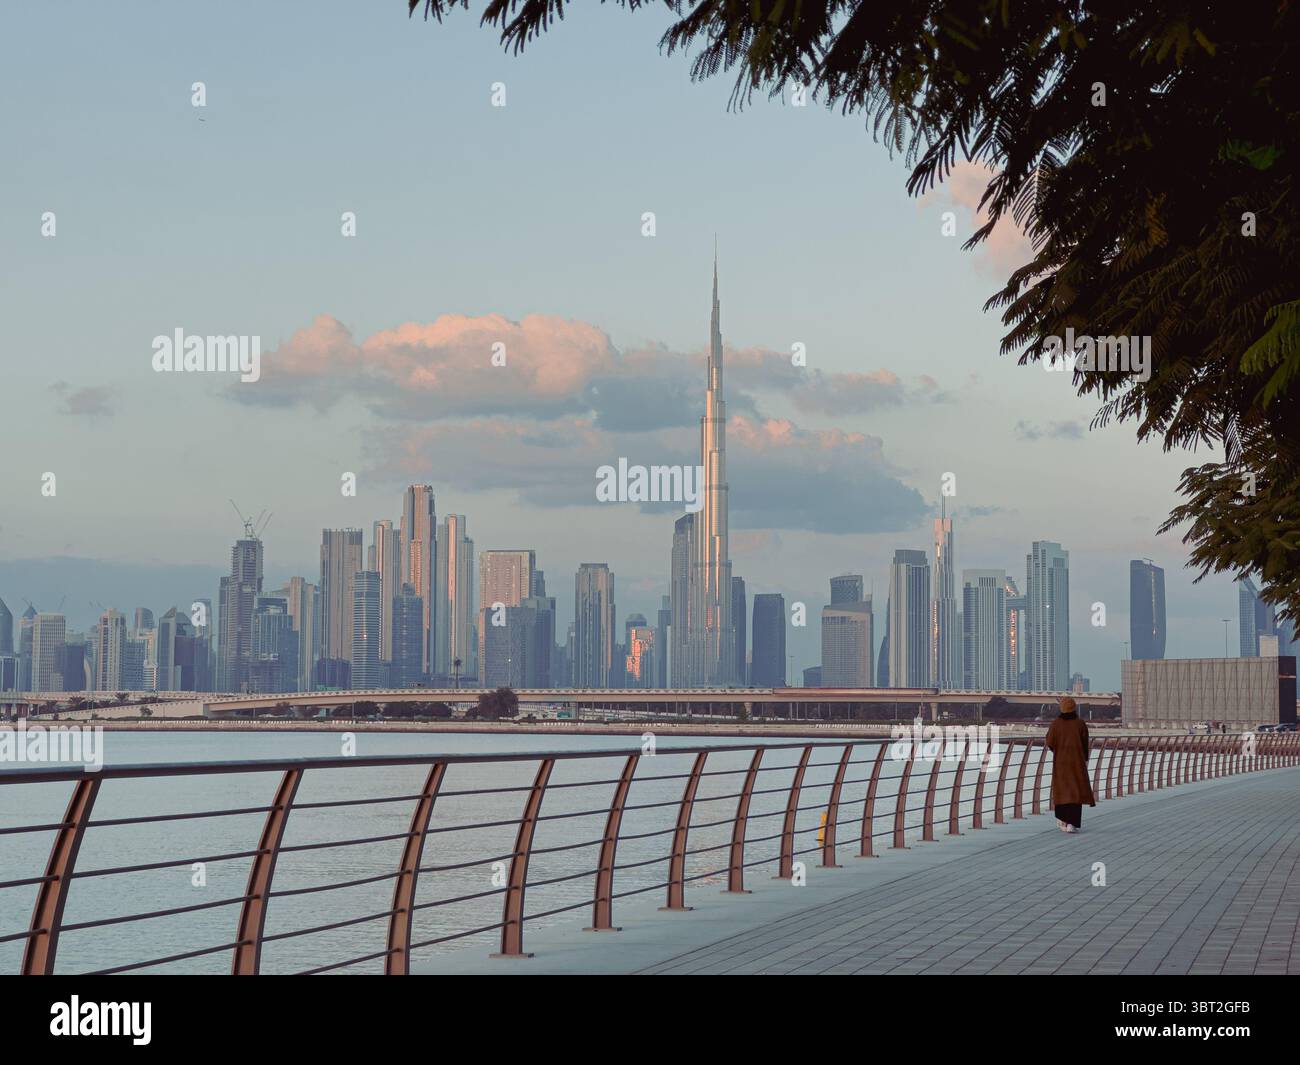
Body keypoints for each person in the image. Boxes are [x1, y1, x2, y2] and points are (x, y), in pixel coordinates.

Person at [1046, 696, 1095, 833]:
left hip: (1061, 763)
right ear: (1074, 708)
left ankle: (1063, 820)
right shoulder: (1080, 724)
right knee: (1075, 792)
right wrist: (1085, 758)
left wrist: (1058, 750)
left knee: (1062, 791)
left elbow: (1050, 742)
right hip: (1077, 762)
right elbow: (1085, 743)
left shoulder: (1056, 723)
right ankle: (1072, 824)